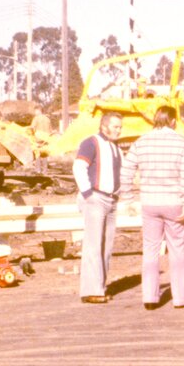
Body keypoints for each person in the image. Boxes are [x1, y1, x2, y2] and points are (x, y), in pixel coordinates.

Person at [120, 105, 184, 309]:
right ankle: (180, 298)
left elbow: (126, 172)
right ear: (173, 121)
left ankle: (150, 298)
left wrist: (128, 199)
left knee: (151, 250)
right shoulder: (182, 144)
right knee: (177, 250)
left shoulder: (141, 142)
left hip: (150, 202)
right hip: (174, 203)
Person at [73, 111, 124, 304]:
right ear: (104, 126)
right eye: (115, 126)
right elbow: (79, 167)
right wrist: (88, 194)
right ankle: (90, 291)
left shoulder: (116, 148)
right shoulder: (91, 142)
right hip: (95, 198)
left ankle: (100, 288)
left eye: (120, 127)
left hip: (111, 201)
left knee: (106, 246)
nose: (119, 131)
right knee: (93, 245)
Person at [29, 105, 53, 173]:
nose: (35, 112)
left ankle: (38, 170)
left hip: (38, 139)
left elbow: (32, 128)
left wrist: (32, 136)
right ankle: (45, 171)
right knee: (44, 155)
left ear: (38, 110)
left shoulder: (36, 118)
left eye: (35, 111)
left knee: (37, 155)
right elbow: (51, 131)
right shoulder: (47, 119)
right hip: (46, 140)